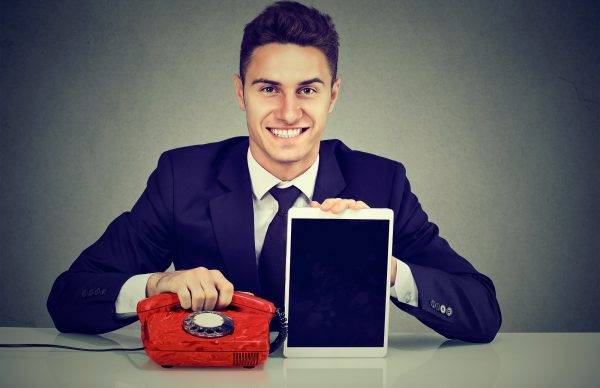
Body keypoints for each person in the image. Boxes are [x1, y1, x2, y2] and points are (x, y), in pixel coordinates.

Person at [47, 1, 501, 343]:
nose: (288, 112)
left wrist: (385, 268)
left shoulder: (381, 182)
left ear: (333, 95)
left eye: (307, 89)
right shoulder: (180, 176)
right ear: (241, 92)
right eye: (268, 88)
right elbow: (69, 297)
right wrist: (156, 285)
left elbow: (482, 311)